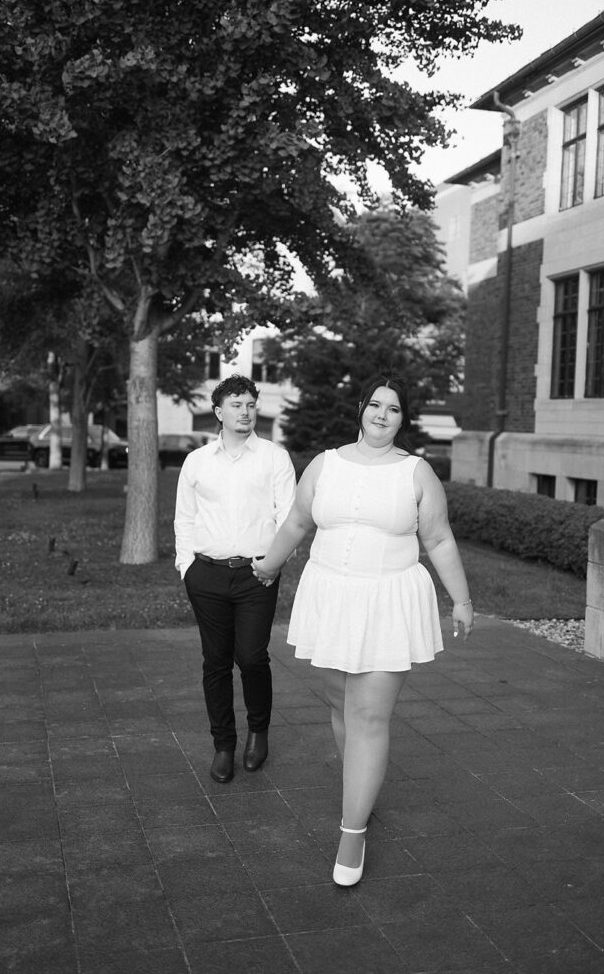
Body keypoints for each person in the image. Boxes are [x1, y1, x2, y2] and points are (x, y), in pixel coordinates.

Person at [253, 373, 474, 885]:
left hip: (389, 599)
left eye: (393, 409)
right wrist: (267, 566)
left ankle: (352, 832)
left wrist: (460, 599)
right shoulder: (325, 465)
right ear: (361, 409)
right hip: (331, 597)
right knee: (341, 707)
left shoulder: (416, 473)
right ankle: (361, 788)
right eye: (375, 405)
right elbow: (296, 524)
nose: (382, 415)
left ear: (402, 419)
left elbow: (438, 538)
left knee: (369, 715)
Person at [174, 374, 296, 784]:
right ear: (218, 412)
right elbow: (184, 518)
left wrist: (274, 563)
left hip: (257, 575)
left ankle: (257, 733)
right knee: (216, 663)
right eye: (236, 405)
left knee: (252, 657)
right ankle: (223, 744)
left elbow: (289, 517)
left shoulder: (274, 458)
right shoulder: (197, 461)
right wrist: (185, 565)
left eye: (250, 404)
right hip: (205, 575)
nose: (245, 412)